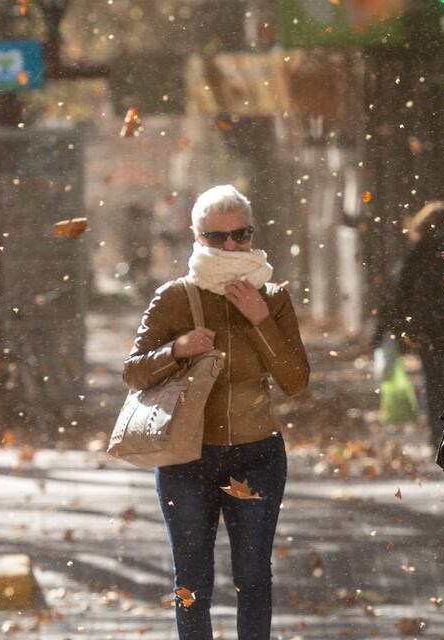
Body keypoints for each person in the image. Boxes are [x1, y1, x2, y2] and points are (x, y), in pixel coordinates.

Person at [122, 185, 310, 639]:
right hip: (186, 457)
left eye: (240, 235)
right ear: (196, 237)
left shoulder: (274, 297)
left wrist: (261, 319)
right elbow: (132, 372)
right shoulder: (174, 297)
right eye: (217, 237)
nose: (230, 246)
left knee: (253, 577)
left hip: (257, 456)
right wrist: (177, 349)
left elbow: (295, 381)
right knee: (191, 580)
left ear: (252, 234)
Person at [375, 201, 444, 443]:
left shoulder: (419, 249)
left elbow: (402, 290)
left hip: (427, 328)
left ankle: (438, 435)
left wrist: (396, 324)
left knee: (432, 380)